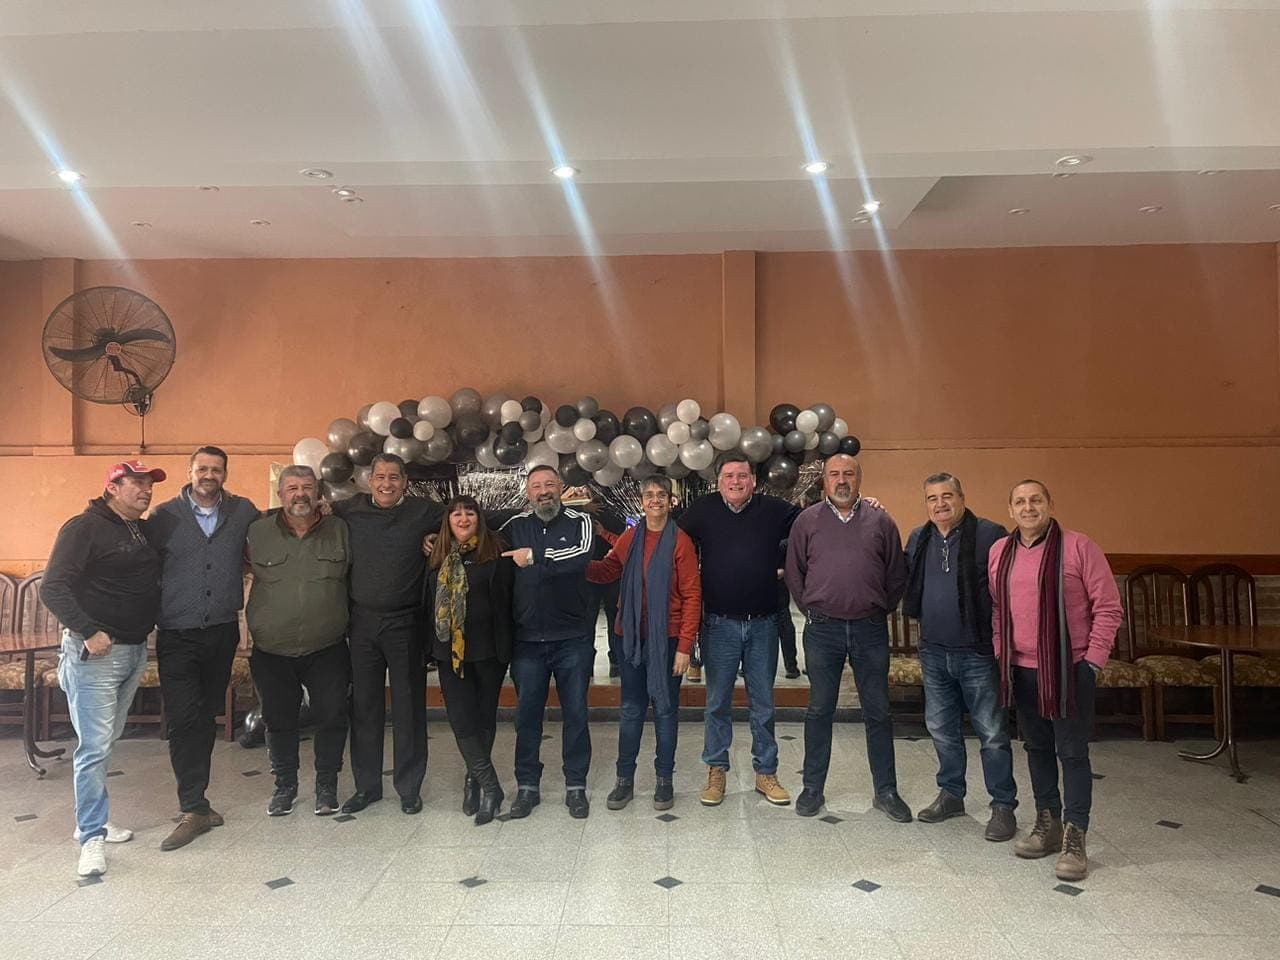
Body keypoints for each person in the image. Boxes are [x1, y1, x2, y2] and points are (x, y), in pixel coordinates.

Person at [989, 480, 1122, 882]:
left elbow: (1109, 607)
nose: (1028, 507)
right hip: (1022, 670)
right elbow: (997, 609)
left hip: (1069, 671)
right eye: (1020, 502)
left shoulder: (1079, 547)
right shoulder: (1000, 552)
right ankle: (1048, 822)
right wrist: (1001, 652)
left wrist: (1092, 662)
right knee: (1037, 748)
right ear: (1010, 510)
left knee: (1072, 753)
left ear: (1049, 504)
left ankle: (1075, 836)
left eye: (1036, 500)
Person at [43, 460, 166, 877]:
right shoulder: (83, 528)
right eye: (137, 483)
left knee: (106, 741)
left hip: (133, 649)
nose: (146, 490)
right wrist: (89, 631)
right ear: (112, 487)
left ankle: (90, 819)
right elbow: (53, 587)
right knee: (94, 747)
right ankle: (91, 837)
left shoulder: (138, 529)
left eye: (150, 484)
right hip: (96, 654)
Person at [785, 454, 911, 821]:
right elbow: (794, 571)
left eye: (849, 474)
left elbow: (896, 573)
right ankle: (812, 788)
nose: (841, 480)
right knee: (819, 710)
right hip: (823, 630)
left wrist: (877, 606)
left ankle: (886, 791)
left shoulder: (881, 521)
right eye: (834, 474)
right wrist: (812, 608)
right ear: (824, 481)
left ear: (859, 480)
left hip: (870, 629)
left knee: (878, 711)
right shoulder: (806, 521)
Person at [149, 446, 260, 851]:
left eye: (216, 469)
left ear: (225, 474)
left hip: (221, 632)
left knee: (205, 715)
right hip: (176, 632)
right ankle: (192, 806)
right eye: (202, 468)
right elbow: (142, 565)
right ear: (190, 471)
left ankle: (198, 800)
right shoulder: (163, 517)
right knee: (183, 718)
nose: (208, 475)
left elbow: (273, 528)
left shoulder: (242, 511)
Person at [679, 451, 798, 807]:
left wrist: (784, 563)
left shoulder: (774, 510)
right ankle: (716, 771)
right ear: (718, 482)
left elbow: (811, 526)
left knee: (764, 705)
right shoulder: (702, 510)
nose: (735, 481)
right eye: (729, 476)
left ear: (753, 481)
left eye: (742, 476)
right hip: (719, 626)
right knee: (717, 704)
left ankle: (766, 772)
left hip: (764, 625)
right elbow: (673, 541)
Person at [902, 472, 1016, 842]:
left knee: (992, 732)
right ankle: (951, 794)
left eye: (947, 496)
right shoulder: (919, 538)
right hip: (934, 651)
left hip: (977, 652)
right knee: (941, 729)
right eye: (932, 498)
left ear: (962, 497)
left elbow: (1009, 589)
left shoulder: (990, 534)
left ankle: (1003, 805)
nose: (940, 504)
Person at [331, 453, 442, 816]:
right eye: (380, 477)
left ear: (405, 482)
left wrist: (435, 537)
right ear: (369, 480)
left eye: (394, 477)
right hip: (362, 623)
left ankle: (409, 788)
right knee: (364, 707)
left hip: (405, 623)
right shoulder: (350, 509)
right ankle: (367, 787)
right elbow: (310, 510)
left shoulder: (424, 512)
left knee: (409, 707)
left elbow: (467, 517)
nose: (386, 484)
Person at [587, 475, 700, 810]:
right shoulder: (631, 537)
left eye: (661, 495)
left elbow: (692, 595)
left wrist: (685, 647)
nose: (655, 500)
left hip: (667, 639)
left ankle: (664, 780)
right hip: (630, 637)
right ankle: (624, 780)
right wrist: (575, 563)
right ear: (641, 502)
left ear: (671, 501)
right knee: (631, 709)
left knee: (664, 710)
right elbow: (608, 570)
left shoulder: (681, 542)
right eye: (649, 495)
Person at [245, 465, 352, 817]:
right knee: (278, 720)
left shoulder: (340, 529)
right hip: (272, 649)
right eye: (292, 488)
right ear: (280, 494)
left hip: (328, 646)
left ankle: (326, 786)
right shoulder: (257, 531)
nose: (300, 494)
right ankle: (284, 786)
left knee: (332, 715)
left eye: (307, 487)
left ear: (318, 493)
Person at [499, 465, 596, 819]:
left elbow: (581, 556)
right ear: (528, 493)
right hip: (527, 642)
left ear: (561, 488)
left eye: (550, 484)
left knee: (576, 714)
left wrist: (536, 557)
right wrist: (433, 538)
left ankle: (576, 786)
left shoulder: (580, 522)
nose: (544, 491)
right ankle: (527, 786)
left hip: (572, 639)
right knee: (526, 717)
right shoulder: (514, 527)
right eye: (537, 486)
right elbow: (480, 544)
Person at [426, 494, 515, 825]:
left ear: (480, 518)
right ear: (447, 521)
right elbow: (427, 604)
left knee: (483, 718)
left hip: (489, 652)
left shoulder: (496, 553)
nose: (463, 519)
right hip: (450, 654)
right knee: (461, 719)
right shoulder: (436, 557)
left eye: (470, 513)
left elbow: (507, 600)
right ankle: (491, 786)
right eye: (456, 514)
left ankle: (473, 779)